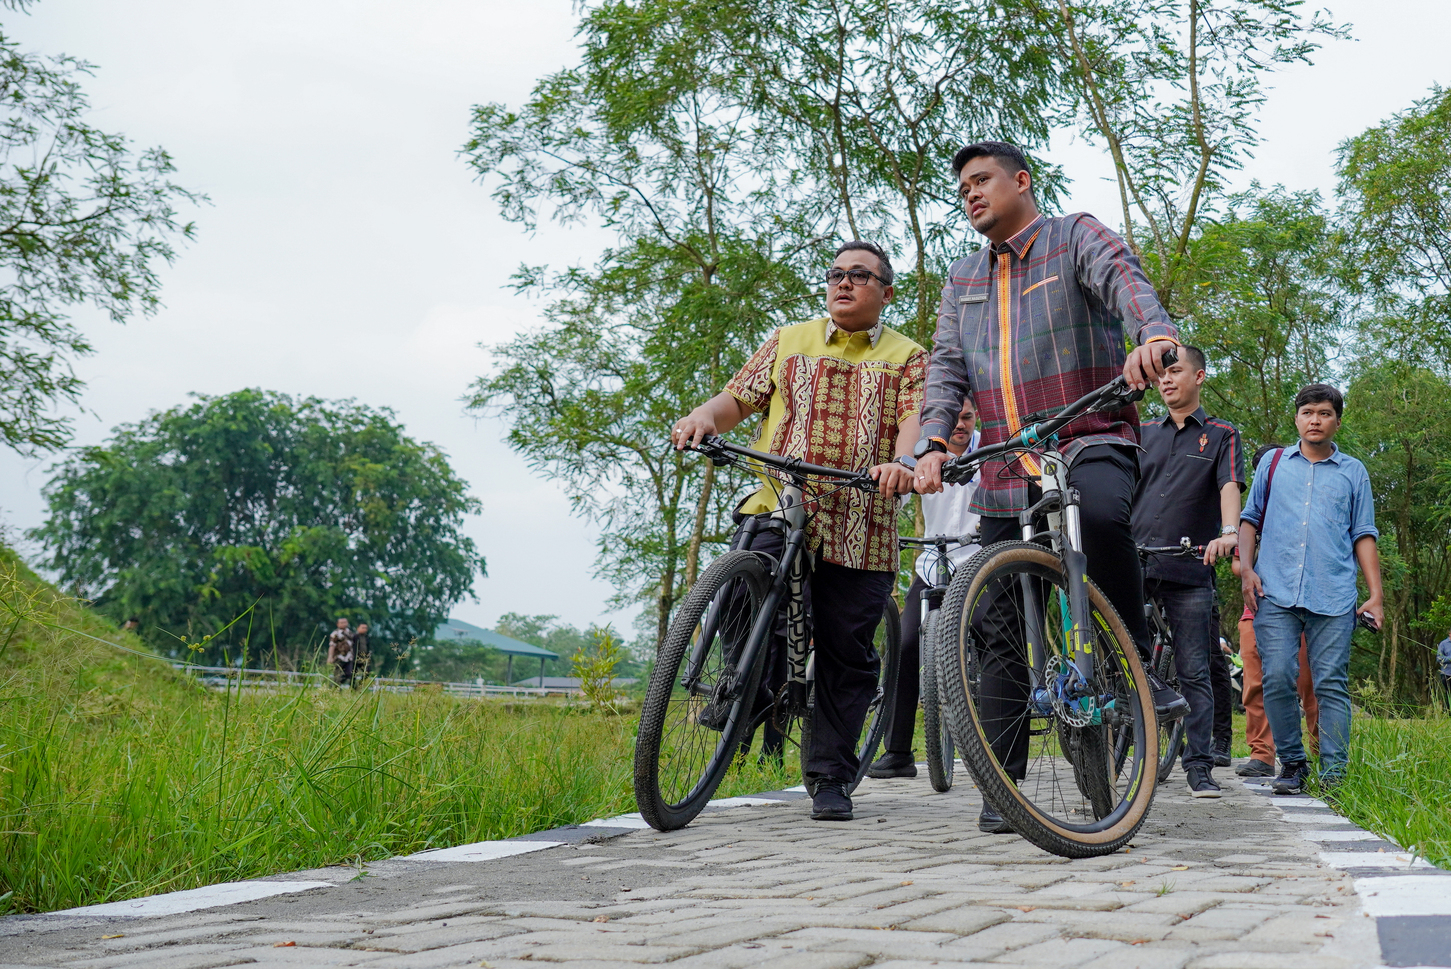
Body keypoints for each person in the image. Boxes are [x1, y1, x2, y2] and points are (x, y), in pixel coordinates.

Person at [914, 140, 1189, 835]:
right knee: (993, 615)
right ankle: (1001, 779)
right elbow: (945, 369)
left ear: (1021, 180)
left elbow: (1126, 283)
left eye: (981, 181)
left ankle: (1136, 675)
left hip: (1087, 429)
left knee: (1097, 513)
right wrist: (931, 441)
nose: (970, 194)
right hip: (1007, 460)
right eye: (962, 188)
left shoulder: (1074, 237)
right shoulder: (961, 278)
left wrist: (1151, 336)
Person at [672, 240, 926, 822]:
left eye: (859, 276)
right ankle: (742, 694)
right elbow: (737, 400)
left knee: (847, 654)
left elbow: (914, 418)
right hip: (780, 500)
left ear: (885, 292)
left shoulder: (909, 356)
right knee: (740, 589)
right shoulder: (788, 340)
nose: (843, 283)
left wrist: (904, 463)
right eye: (835, 274)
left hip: (862, 521)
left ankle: (832, 776)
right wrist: (700, 419)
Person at [1239, 384, 1384, 794]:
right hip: (1275, 591)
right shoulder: (1272, 463)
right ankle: (1294, 764)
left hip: (1333, 593)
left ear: (1337, 421)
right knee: (1278, 676)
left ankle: (1335, 774)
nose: (1315, 420)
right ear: (1297, 418)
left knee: (1330, 684)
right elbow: (1250, 519)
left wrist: (1376, 595)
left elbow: (1364, 534)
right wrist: (1247, 570)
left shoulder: (1353, 471)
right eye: (1307, 412)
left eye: (1324, 413)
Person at [1131, 346, 1245, 797]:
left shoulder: (1221, 434)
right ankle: (1117, 748)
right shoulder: (1139, 432)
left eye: (1175, 371)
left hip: (1191, 566)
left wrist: (1229, 532)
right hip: (1136, 562)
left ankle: (1198, 766)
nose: (1166, 379)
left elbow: (1229, 485)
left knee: (1195, 669)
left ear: (1200, 376)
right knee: (1119, 659)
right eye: (1162, 373)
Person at [868, 395, 981, 779]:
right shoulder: (921, 457)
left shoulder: (992, 450)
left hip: (981, 564)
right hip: (933, 563)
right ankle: (898, 751)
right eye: (953, 419)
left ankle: (995, 745)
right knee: (903, 645)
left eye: (967, 418)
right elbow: (895, 494)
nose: (960, 426)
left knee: (994, 639)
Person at [1231, 445, 1320, 779]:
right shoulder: (1250, 513)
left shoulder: (1306, 504)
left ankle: (1321, 756)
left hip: (1306, 608)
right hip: (1257, 609)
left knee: (1312, 685)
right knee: (1256, 684)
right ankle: (1262, 754)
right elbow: (1237, 565)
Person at [326, 617, 355, 687]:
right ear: (338, 624)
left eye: (345, 622)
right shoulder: (335, 634)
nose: (344, 624)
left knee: (349, 673)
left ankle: (336, 685)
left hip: (349, 657)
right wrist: (330, 657)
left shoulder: (350, 633)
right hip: (338, 657)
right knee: (338, 674)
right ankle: (335, 688)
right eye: (341, 623)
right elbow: (332, 645)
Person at [1437, 628, 1451, 704]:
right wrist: (1449, 659)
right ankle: (1449, 712)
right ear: (1449, 634)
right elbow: (1439, 658)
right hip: (1447, 673)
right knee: (1449, 693)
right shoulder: (1443, 644)